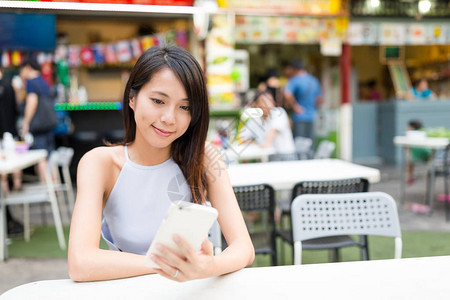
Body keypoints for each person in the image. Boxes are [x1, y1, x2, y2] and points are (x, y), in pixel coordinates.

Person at [68, 46, 255, 282]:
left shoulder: (204, 157)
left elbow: (244, 249)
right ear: (132, 98)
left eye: (184, 107)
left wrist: (209, 267)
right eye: (158, 101)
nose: (169, 118)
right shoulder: (99, 163)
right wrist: (169, 265)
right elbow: (80, 262)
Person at [19, 58, 56, 183]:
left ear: (28, 67)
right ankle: (54, 185)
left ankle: (47, 189)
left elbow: (32, 103)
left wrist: (25, 123)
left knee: (40, 157)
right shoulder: (44, 81)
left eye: (22, 70)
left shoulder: (31, 83)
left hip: (38, 126)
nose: (21, 74)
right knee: (50, 156)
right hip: (49, 124)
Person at [0, 67, 25, 236]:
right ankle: (15, 188)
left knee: (4, 172)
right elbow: (17, 109)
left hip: (4, 134)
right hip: (10, 131)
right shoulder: (10, 85)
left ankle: (7, 216)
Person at [239, 91, 295, 155]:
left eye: (270, 101)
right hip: (266, 156)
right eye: (263, 102)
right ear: (257, 105)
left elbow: (269, 140)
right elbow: (242, 138)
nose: (267, 104)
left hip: (285, 156)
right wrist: (257, 144)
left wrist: (262, 145)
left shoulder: (279, 113)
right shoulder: (255, 120)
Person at [283, 59, 322, 144]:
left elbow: (287, 94)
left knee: (299, 144)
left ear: (294, 69)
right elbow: (319, 99)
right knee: (310, 144)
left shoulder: (294, 80)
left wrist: (295, 107)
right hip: (312, 116)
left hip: (299, 117)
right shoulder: (314, 80)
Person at [406, 119, 430, 185]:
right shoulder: (424, 132)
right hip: (427, 155)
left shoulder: (410, 133)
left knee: (408, 158)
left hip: (414, 156)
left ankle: (410, 176)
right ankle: (426, 175)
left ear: (411, 127)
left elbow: (407, 147)